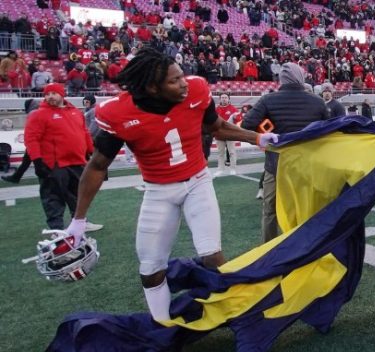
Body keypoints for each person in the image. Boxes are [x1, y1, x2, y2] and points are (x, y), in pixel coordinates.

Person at [65, 48, 277, 322]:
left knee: (212, 255)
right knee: (151, 268)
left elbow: (217, 127)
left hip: (198, 182)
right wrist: (78, 220)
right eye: (174, 81)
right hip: (159, 191)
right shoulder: (119, 113)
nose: (184, 83)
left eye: (181, 76)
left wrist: (257, 138)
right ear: (153, 88)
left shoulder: (198, 90)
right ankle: (162, 326)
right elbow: (97, 166)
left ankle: (240, 312)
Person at [242, 62, 329, 243]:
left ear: (281, 79)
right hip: (307, 165)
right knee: (306, 209)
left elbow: (246, 124)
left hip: (276, 164)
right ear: (301, 77)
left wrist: (267, 129)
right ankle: (306, 247)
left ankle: (269, 251)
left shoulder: (268, 100)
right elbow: (330, 131)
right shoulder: (318, 102)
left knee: (270, 211)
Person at [24, 83, 103, 232]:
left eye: (54, 93)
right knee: (53, 198)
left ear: (62, 94)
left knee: (78, 195)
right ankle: (56, 229)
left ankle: (80, 222)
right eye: (47, 94)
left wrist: (92, 152)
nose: (50, 96)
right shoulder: (38, 114)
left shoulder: (75, 111)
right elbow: (31, 139)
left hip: (77, 160)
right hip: (54, 163)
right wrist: (37, 160)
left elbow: (84, 133)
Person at [1, 99, 37, 184]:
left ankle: (16, 176)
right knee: (27, 159)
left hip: (37, 141)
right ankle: (16, 176)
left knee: (30, 160)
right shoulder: (38, 112)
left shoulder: (34, 114)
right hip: (37, 141)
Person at [214, 93, 239, 176]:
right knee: (220, 153)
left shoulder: (233, 109)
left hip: (230, 133)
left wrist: (236, 117)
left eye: (225, 97)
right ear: (220, 99)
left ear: (228, 99)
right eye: (222, 97)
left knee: (232, 152)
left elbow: (237, 120)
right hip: (219, 134)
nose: (224, 99)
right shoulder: (216, 109)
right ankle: (220, 169)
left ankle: (233, 169)